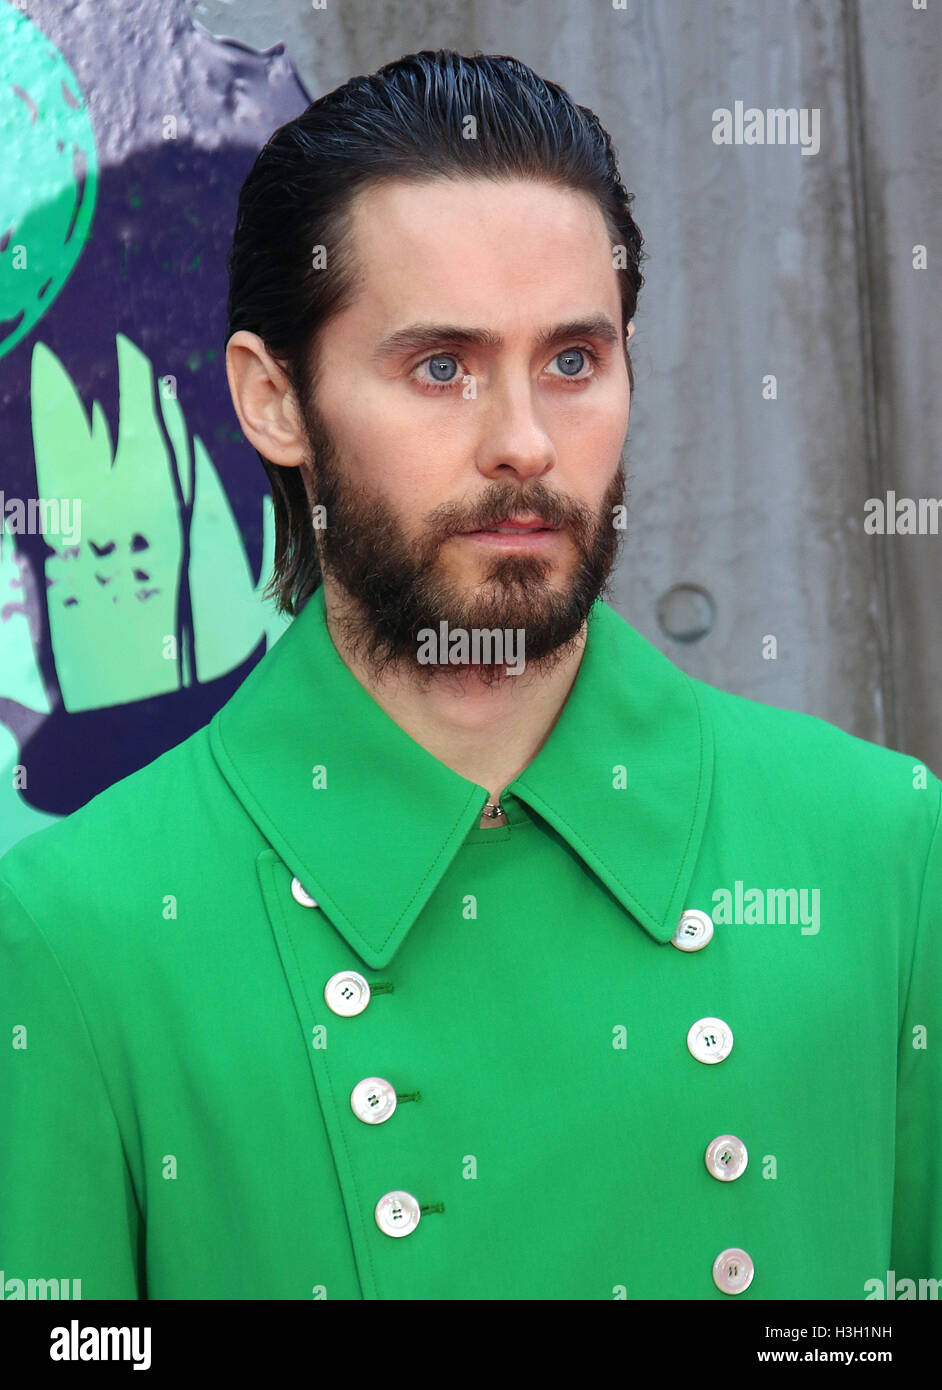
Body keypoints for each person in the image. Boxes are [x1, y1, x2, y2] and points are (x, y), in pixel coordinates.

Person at [1, 48, 939, 1303]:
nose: (525, 444)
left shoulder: (879, 849)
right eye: (441, 367)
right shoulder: (79, 931)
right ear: (274, 400)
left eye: (572, 361)